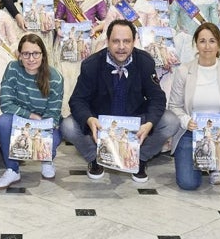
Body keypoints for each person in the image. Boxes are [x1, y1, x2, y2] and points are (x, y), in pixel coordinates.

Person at [61, 19, 181, 182]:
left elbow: (157, 98)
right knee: (68, 126)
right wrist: (89, 120)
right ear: (107, 41)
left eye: (126, 41)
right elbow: (77, 100)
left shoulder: (145, 62)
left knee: (171, 121)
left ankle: (140, 159)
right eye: (116, 41)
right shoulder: (92, 64)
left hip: (136, 119)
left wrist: (150, 123)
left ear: (134, 42)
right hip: (101, 123)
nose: (121, 46)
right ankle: (95, 158)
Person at [168, 22, 220, 189]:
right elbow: (174, 106)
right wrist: (186, 121)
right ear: (196, 44)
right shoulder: (183, 71)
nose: (207, 46)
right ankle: (199, 162)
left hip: (219, 133)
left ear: (219, 44)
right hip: (190, 132)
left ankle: (215, 166)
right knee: (188, 184)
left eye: (212, 41)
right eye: (202, 41)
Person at [0, 33, 64, 188]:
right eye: (26, 54)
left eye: (36, 54)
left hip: (44, 122)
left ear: (43, 55)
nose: (31, 59)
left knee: (55, 135)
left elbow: (53, 113)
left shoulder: (55, 78)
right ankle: (12, 169)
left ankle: (47, 159)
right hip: (21, 119)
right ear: (19, 55)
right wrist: (31, 116)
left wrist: (39, 126)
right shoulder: (12, 69)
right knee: (3, 122)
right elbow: (5, 103)